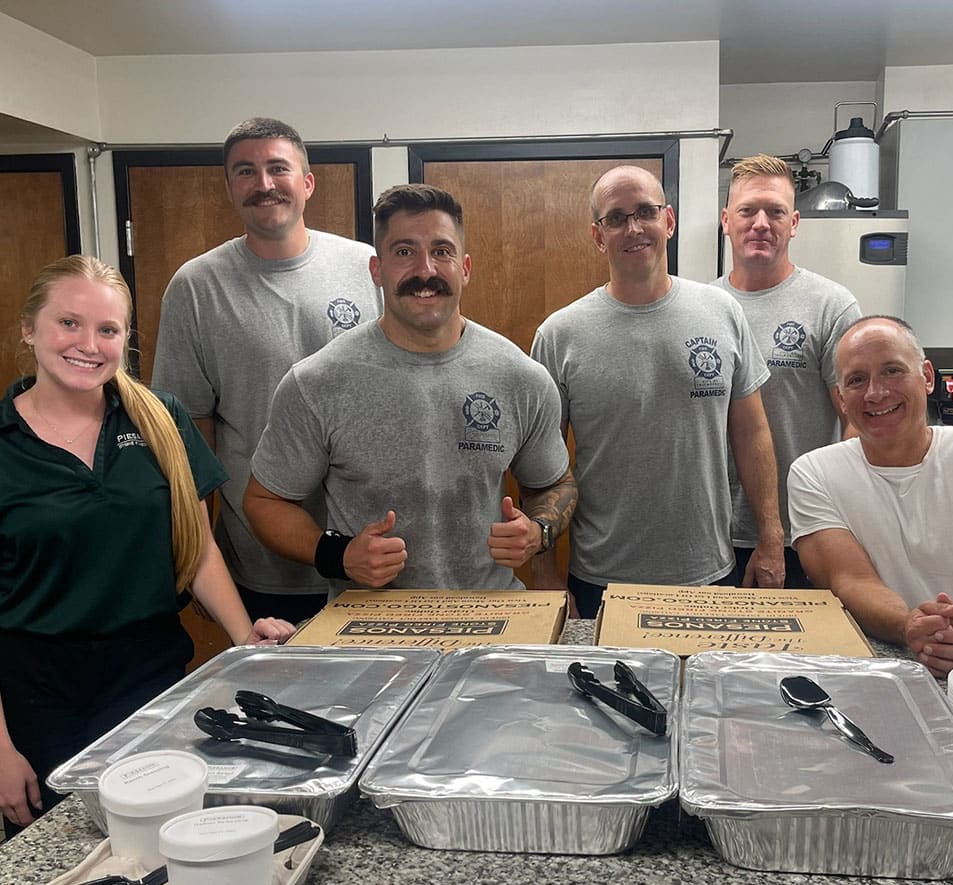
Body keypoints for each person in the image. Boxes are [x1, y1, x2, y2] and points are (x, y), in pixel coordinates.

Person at [0, 256, 295, 836]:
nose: (89, 344)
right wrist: (1, 748)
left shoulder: (161, 418)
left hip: (153, 682)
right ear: (29, 330)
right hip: (36, 696)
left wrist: (242, 638)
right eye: (68, 323)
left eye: (108, 330)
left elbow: (197, 543)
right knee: (56, 859)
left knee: (168, 840)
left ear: (125, 340)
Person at [243, 184, 576, 594]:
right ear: (376, 270)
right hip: (370, 629)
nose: (426, 271)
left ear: (465, 267)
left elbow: (556, 484)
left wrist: (538, 530)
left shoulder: (520, 377)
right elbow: (264, 502)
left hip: (490, 618)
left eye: (442, 251)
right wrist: (339, 554)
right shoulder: (317, 382)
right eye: (404, 252)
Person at [152, 117, 381, 623]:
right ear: (229, 186)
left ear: (307, 182)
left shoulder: (366, 266)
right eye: (245, 172)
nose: (264, 184)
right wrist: (198, 553)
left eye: (278, 168)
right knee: (274, 701)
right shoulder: (196, 287)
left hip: (373, 555)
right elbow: (186, 436)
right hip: (261, 565)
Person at [530, 165, 785, 618]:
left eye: (645, 212)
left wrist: (770, 539)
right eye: (616, 217)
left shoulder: (721, 312)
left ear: (668, 221)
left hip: (708, 571)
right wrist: (545, 574)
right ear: (597, 235)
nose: (633, 228)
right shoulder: (560, 334)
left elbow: (753, 434)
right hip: (602, 578)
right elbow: (540, 467)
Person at [788, 315, 953, 676]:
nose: (876, 393)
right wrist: (909, 626)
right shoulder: (814, 474)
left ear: (928, 377)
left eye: (892, 371)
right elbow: (850, 580)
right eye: (857, 380)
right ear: (840, 397)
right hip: (881, 667)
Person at [716, 154, 862, 587]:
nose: (761, 222)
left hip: (803, 531)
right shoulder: (703, 308)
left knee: (794, 655)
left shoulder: (831, 306)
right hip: (715, 535)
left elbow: (855, 424)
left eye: (775, 211)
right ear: (726, 220)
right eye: (747, 210)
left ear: (794, 222)